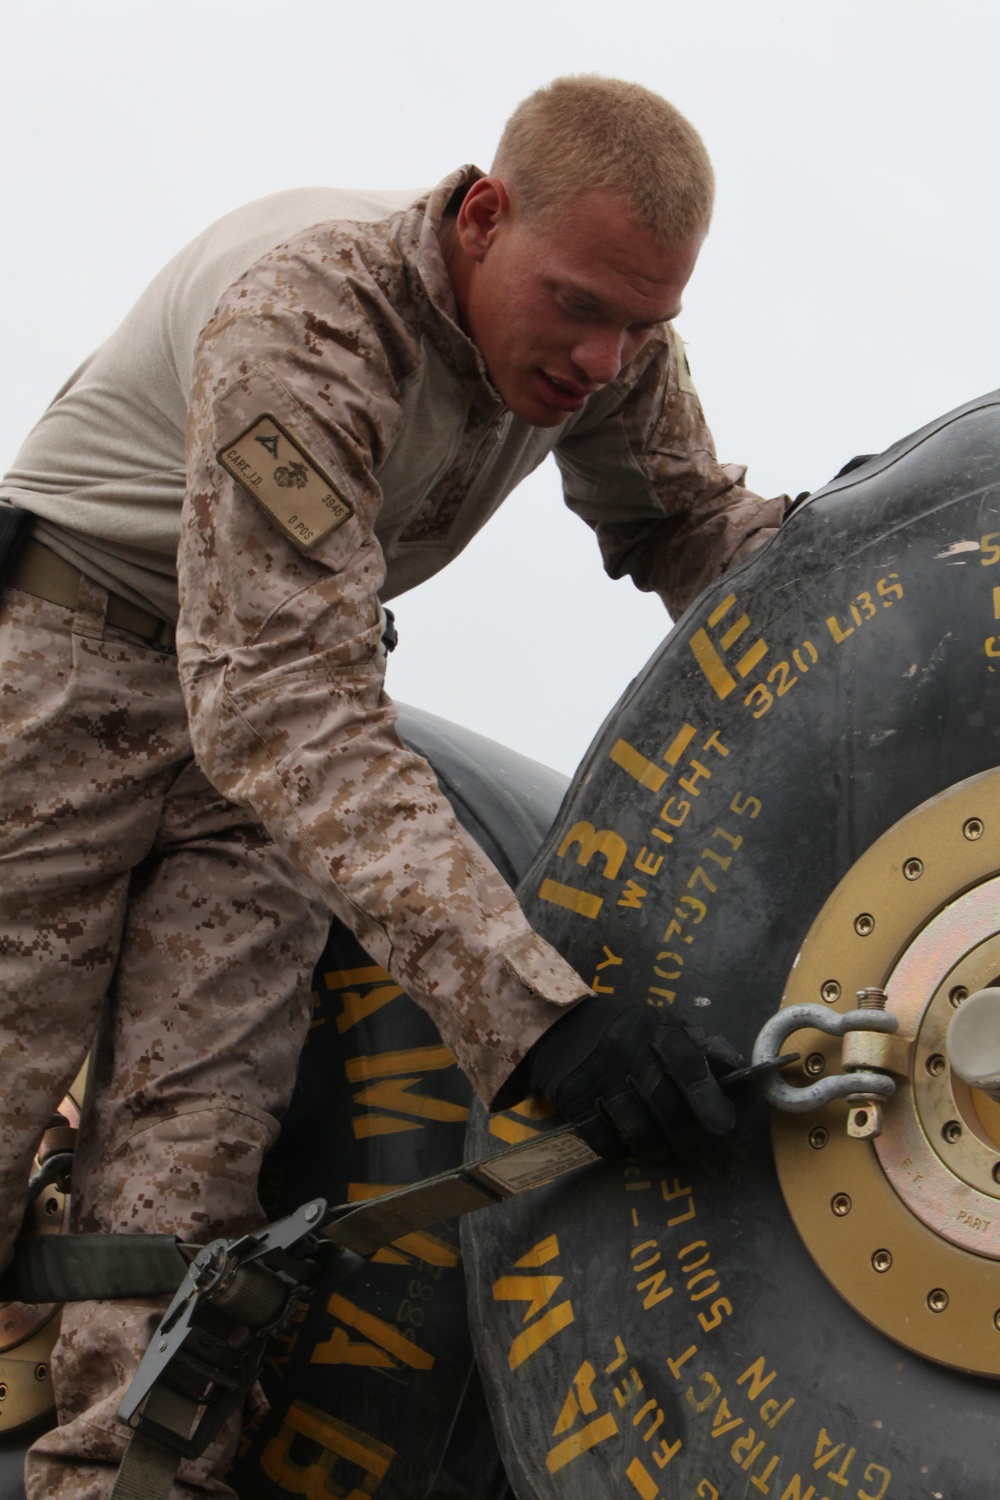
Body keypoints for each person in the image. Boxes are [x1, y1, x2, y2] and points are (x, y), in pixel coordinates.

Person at [0, 75, 787, 1497]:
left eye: (644, 325)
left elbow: (688, 526)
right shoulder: (306, 318)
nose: (604, 360)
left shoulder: (600, 342)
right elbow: (287, 707)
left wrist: (886, 565)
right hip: (74, 677)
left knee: (192, 1181)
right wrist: (538, 1024)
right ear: (482, 216)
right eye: (581, 305)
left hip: (259, 736)